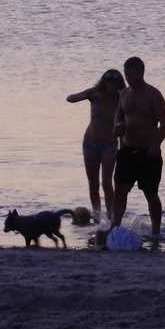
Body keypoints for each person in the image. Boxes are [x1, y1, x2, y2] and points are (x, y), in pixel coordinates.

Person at [109, 56, 165, 240]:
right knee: (120, 189)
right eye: (126, 75)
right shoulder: (124, 94)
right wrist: (117, 127)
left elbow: (164, 123)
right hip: (127, 149)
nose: (129, 79)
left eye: (132, 75)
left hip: (148, 152)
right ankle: (115, 227)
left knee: (150, 193)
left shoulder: (153, 94)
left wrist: (155, 144)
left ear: (141, 72)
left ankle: (156, 231)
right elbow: (119, 117)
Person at [65, 69, 125, 219]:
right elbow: (70, 98)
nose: (110, 87)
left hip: (109, 144)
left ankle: (111, 216)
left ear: (118, 84)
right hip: (90, 143)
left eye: (114, 84)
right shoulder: (94, 95)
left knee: (106, 182)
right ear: (103, 82)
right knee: (93, 183)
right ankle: (98, 216)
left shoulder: (122, 98)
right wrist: (86, 94)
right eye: (107, 83)